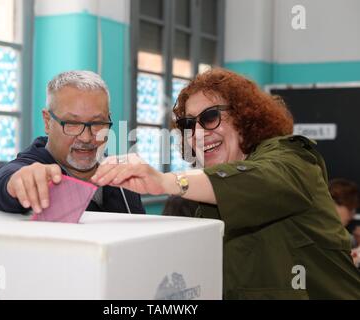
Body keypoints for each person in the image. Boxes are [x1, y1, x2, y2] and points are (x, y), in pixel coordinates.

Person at [91, 68, 360, 299]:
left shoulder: (292, 158)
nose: (197, 133)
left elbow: (261, 180)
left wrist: (165, 181)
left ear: (245, 116)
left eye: (210, 117)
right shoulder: (202, 202)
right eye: (188, 124)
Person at [0, 70, 145, 215]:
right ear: (48, 122)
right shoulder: (35, 166)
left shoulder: (121, 177)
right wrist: (16, 182)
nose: (86, 138)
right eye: (72, 124)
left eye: (97, 123)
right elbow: (2, 182)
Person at [329, 178, 360, 267]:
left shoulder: (348, 238)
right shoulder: (317, 234)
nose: (353, 213)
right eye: (350, 207)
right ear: (333, 204)